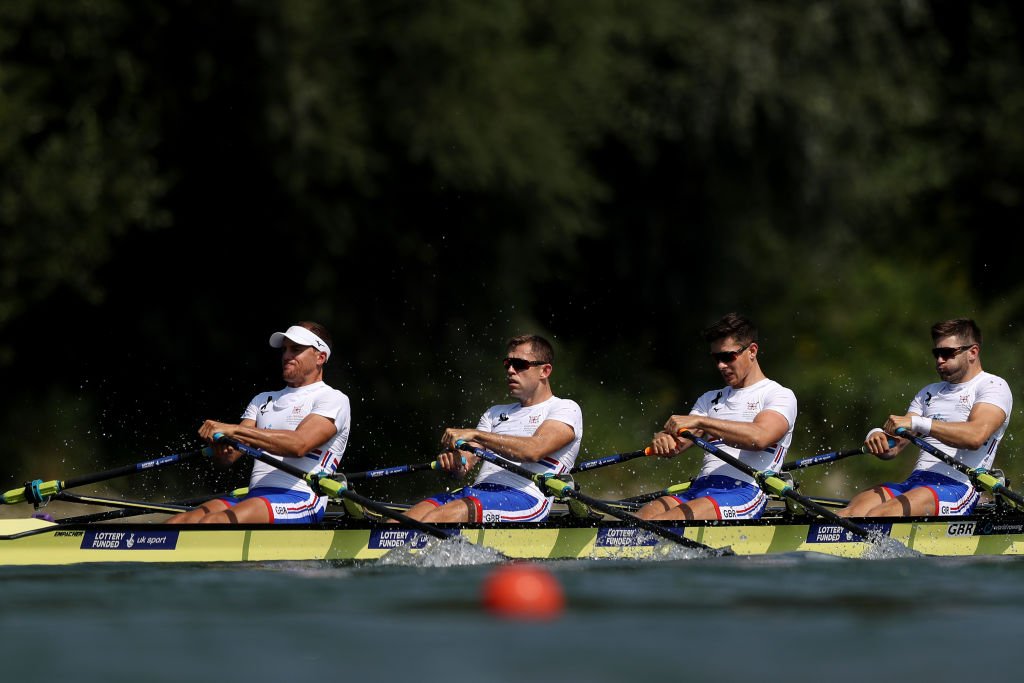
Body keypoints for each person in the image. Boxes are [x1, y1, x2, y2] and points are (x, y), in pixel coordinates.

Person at [166, 321, 351, 524]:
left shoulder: (333, 399)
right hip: (256, 496)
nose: (287, 356)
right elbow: (229, 457)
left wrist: (232, 430)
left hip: (301, 499)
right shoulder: (263, 399)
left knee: (214, 522)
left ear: (320, 357)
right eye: (285, 350)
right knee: (180, 522)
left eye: (296, 349)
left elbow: (299, 445)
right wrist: (222, 446)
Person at [838, 318, 1011, 518]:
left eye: (947, 353)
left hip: (957, 488)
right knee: (851, 513)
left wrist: (919, 423)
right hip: (915, 484)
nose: (939, 360)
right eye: (936, 353)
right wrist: (877, 436)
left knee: (881, 514)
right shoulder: (928, 393)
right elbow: (894, 447)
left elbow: (975, 437)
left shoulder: (993, 386)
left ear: (973, 352)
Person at [403, 334, 583, 523]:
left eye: (520, 365)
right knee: (399, 524)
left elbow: (533, 450)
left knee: (437, 518)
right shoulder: (494, 413)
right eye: (508, 364)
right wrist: (456, 460)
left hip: (525, 498)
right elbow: (467, 461)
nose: (511, 371)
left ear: (544, 371)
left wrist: (477, 434)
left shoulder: (565, 408)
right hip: (478, 493)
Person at [637, 313, 797, 521]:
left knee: (665, 521)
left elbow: (759, 438)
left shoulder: (778, 395)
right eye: (716, 358)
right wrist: (663, 438)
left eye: (728, 357)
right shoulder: (710, 399)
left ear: (752, 351)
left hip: (744, 492)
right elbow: (678, 443)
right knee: (638, 519)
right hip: (700, 489)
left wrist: (702, 422)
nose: (720, 365)